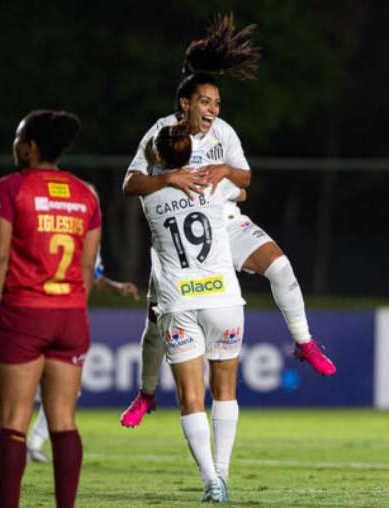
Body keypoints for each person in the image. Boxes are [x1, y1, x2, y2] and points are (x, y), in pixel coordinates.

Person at [120, 13, 336, 429]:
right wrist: (168, 178)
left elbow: (246, 179)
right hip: (177, 240)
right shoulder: (161, 133)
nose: (213, 110)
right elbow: (131, 183)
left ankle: (304, 342)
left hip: (225, 223)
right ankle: (147, 394)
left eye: (217, 103)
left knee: (281, 266)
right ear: (186, 103)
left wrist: (224, 173)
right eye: (206, 102)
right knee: (153, 325)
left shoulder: (224, 134)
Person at [0, 109, 101, 508]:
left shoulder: (10, 188)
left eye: (19, 138)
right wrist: (74, 313)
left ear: (31, 147)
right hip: (70, 315)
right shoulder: (86, 194)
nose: (16, 145)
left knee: (13, 421)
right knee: (64, 421)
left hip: (23, 314)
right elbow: (86, 267)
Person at [140, 122, 247, 501]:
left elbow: (135, 184)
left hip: (180, 302)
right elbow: (244, 190)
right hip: (223, 299)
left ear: (156, 157)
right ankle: (223, 472)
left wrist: (168, 176)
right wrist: (214, 176)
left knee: (191, 398)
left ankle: (210, 482)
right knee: (226, 391)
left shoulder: (149, 196)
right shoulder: (214, 183)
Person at [0, 256, 140, 464]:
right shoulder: (59, 227)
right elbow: (2, 259)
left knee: (67, 392)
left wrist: (119, 288)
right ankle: (1, 391)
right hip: (37, 311)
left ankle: (34, 443)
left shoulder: (89, 235)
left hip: (65, 316)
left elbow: (93, 276)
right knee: (37, 388)